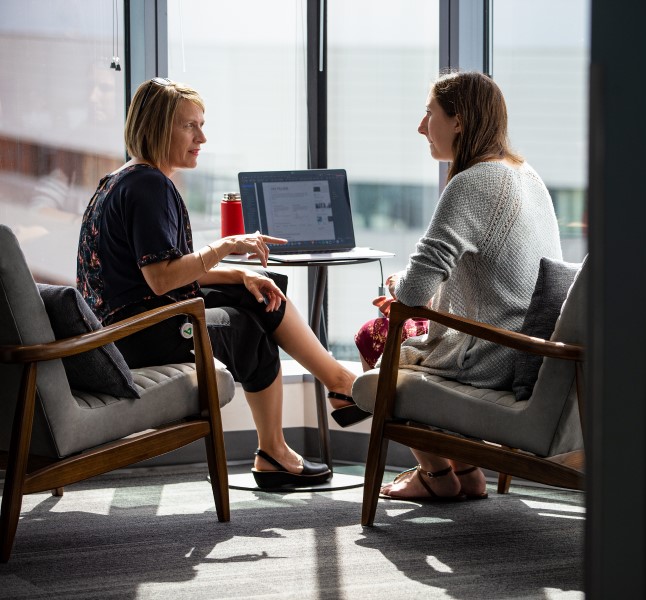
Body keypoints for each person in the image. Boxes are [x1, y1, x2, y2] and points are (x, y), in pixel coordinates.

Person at [76, 77, 357, 488]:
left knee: (257, 287)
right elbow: (161, 279)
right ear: (158, 127)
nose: (202, 137)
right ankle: (278, 449)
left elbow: (165, 267)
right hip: (140, 334)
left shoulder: (120, 180)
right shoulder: (150, 186)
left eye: (201, 125)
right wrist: (225, 247)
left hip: (126, 326)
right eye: (190, 126)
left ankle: (336, 382)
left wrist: (241, 272)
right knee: (250, 327)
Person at [350, 71, 564, 501]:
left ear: (459, 121)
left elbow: (412, 294)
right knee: (402, 326)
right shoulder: (526, 175)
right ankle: (466, 471)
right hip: (527, 345)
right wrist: (415, 292)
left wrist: (399, 288)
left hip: (490, 354)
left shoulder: (471, 182)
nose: (420, 126)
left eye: (429, 114)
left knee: (373, 335)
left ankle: (434, 475)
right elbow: (495, 277)